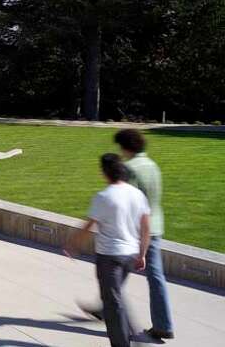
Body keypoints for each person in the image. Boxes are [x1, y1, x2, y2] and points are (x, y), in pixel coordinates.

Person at [65, 154, 150, 347]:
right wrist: (142, 253)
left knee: (113, 305)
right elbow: (146, 227)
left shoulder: (103, 197)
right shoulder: (137, 195)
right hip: (130, 255)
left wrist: (73, 245)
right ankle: (135, 338)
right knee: (114, 297)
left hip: (109, 258)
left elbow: (89, 226)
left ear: (104, 173)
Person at [112, 129, 173, 340]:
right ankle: (163, 324)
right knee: (155, 277)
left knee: (114, 271)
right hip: (156, 225)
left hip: (137, 230)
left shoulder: (129, 169)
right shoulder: (152, 165)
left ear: (126, 147)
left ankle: (107, 307)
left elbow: (128, 202)